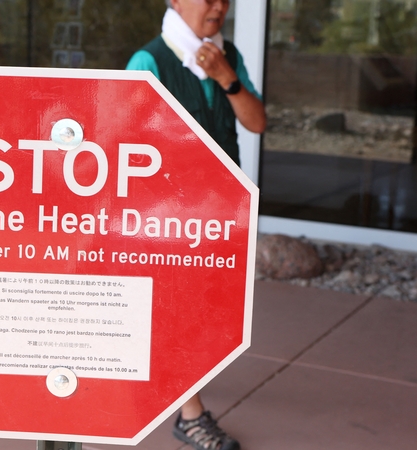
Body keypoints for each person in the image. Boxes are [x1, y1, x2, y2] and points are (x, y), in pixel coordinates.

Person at [126, 1, 266, 450]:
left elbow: (256, 122)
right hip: (167, 216)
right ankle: (191, 416)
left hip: (219, 210)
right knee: (179, 311)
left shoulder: (229, 55)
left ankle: (171, 377)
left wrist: (227, 78)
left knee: (206, 312)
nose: (219, 7)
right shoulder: (149, 62)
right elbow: (124, 141)